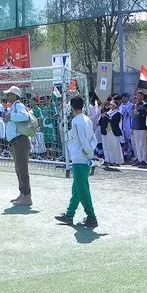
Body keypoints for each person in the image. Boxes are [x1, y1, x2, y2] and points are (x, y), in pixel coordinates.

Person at [55, 95, 99, 229]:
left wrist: (89, 153)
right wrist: (90, 151)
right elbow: (93, 139)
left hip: (79, 158)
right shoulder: (87, 120)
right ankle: (69, 214)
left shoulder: (76, 121)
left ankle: (91, 217)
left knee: (82, 189)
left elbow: (81, 140)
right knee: (77, 188)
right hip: (83, 158)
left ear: (72, 107)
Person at [4, 86, 33, 207]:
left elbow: (25, 116)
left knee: (22, 169)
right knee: (19, 169)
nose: (7, 96)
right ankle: (23, 193)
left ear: (15, 96)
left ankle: (26, 196)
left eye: (9, 94)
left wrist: (11, 117)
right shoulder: (15, 106)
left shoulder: (18, 105)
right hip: (17, 141)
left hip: (20, 141)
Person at [130, 91, 147, 167]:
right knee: (137, 144)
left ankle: (144, 159)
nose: (137, 97)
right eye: (136, 96)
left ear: (142, 97)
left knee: (143, 144)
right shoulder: (134, 105)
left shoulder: (145, 105)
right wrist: (132, 127)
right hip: (136, 127)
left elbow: (146, 115)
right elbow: (133, 117)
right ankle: (139, 158)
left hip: (142, 127)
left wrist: (139, 113)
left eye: (139, 96)